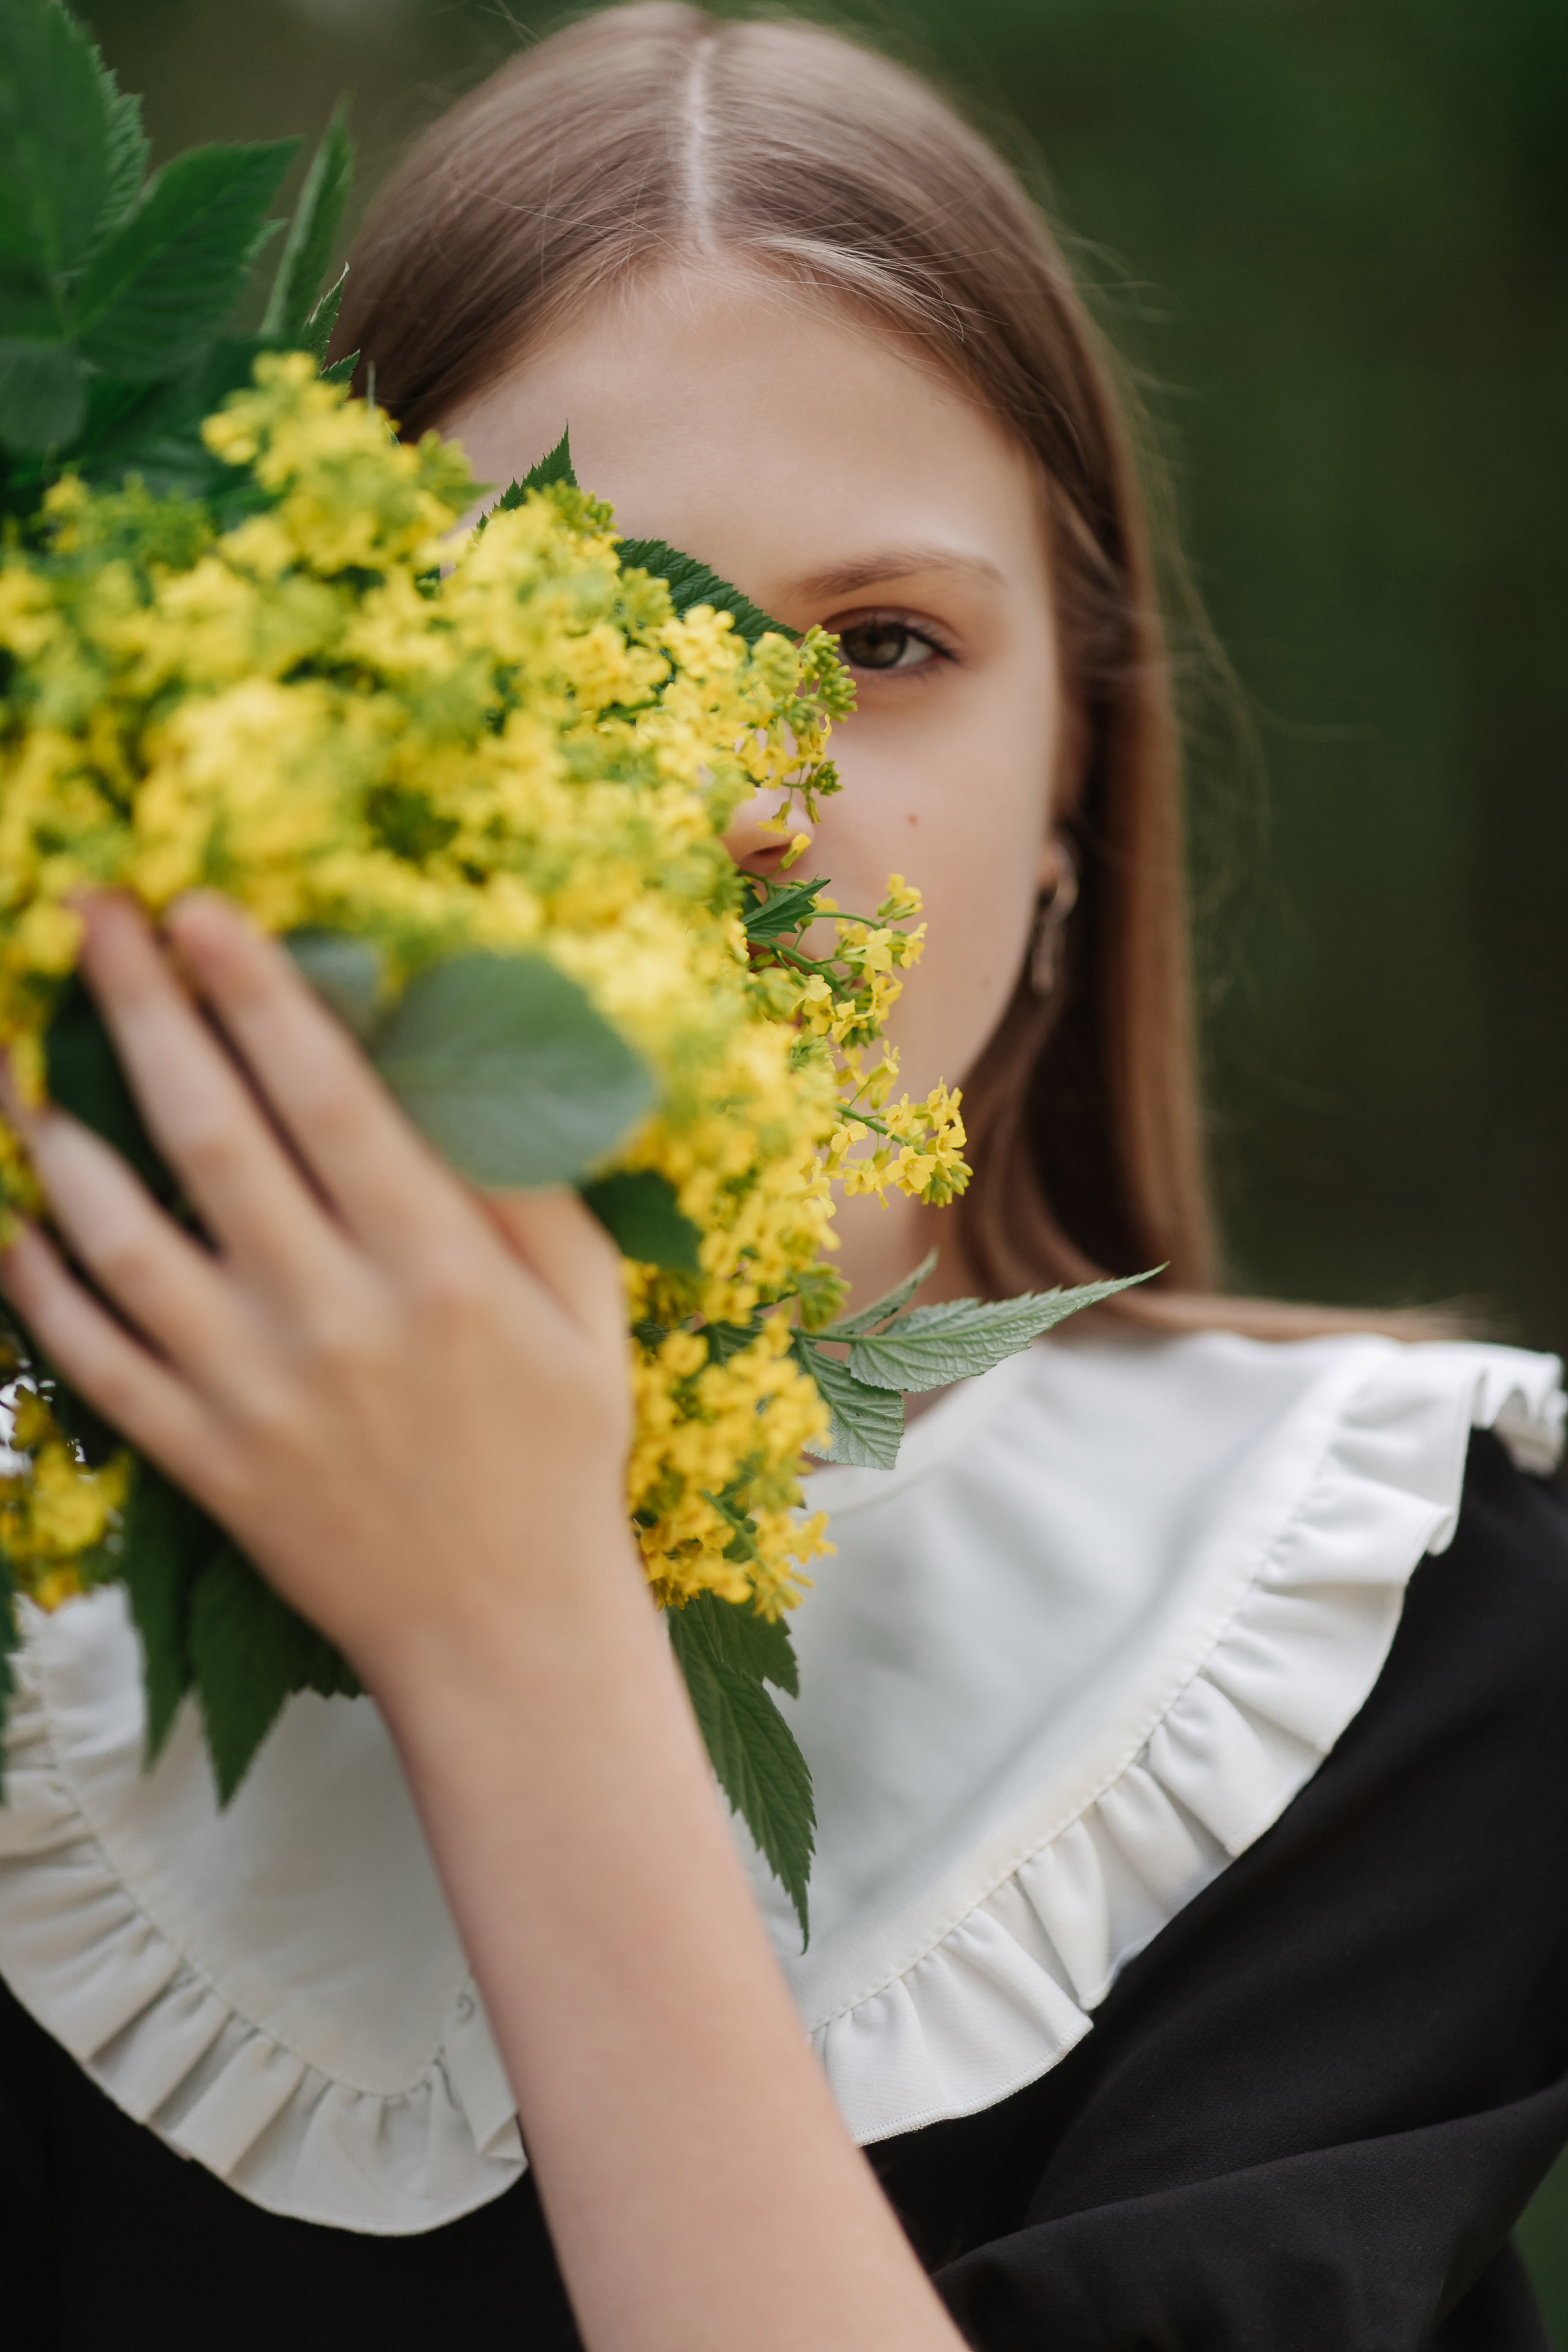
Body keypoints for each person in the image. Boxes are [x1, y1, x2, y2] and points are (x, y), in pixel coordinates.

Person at [1, 7, 1566, 2347]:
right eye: (564, 627)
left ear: (1075, 785)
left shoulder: (1372, 1613)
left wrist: (510, 1631)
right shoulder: (45, 1630)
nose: (739, 796)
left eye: (887, 644)